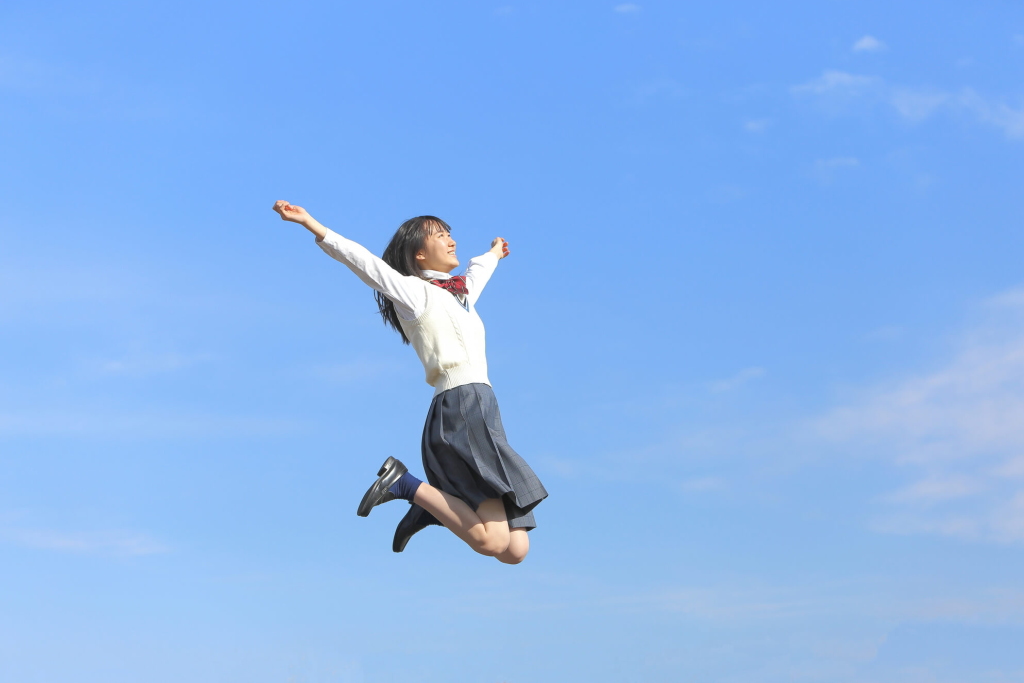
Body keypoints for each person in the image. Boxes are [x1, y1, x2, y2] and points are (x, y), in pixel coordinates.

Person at [272, 200, 548, 564]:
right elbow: (364, 262)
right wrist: (311, 223)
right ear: (419, 255)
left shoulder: (460, 293)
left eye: (451, 234)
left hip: (484, 407)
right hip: (460, 407)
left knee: (516, 550)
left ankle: (434, 506)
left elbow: (477, 272)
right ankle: (404, 483)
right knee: (494, 542)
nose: (451, 241)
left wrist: (494, 253)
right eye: (440, 236)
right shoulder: (414, 294)